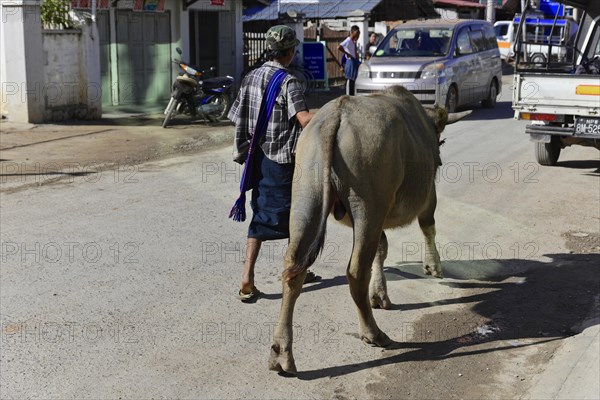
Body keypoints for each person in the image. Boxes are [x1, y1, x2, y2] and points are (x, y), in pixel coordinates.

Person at [227, 25, 317, 303]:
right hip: (282, 161)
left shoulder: (250, 77)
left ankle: (253, 275)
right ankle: (284, 269)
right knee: (293, 217)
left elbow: (236, 115)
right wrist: (332, 112)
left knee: (261, 214)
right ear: (290, 52)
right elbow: (303, 120)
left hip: (256, 158)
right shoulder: (288, 82)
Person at [338, 25, 361, 96]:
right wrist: (347, 53)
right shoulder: (348, 40)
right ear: (353, 32)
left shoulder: (353, 42)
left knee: (353, 81)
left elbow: (354, 53)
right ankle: (348, 97)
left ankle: (352, 96)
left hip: (354, 62)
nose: (358, 34)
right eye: (357, 33)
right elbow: (339, 47)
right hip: (350, 62)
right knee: (349, 81)